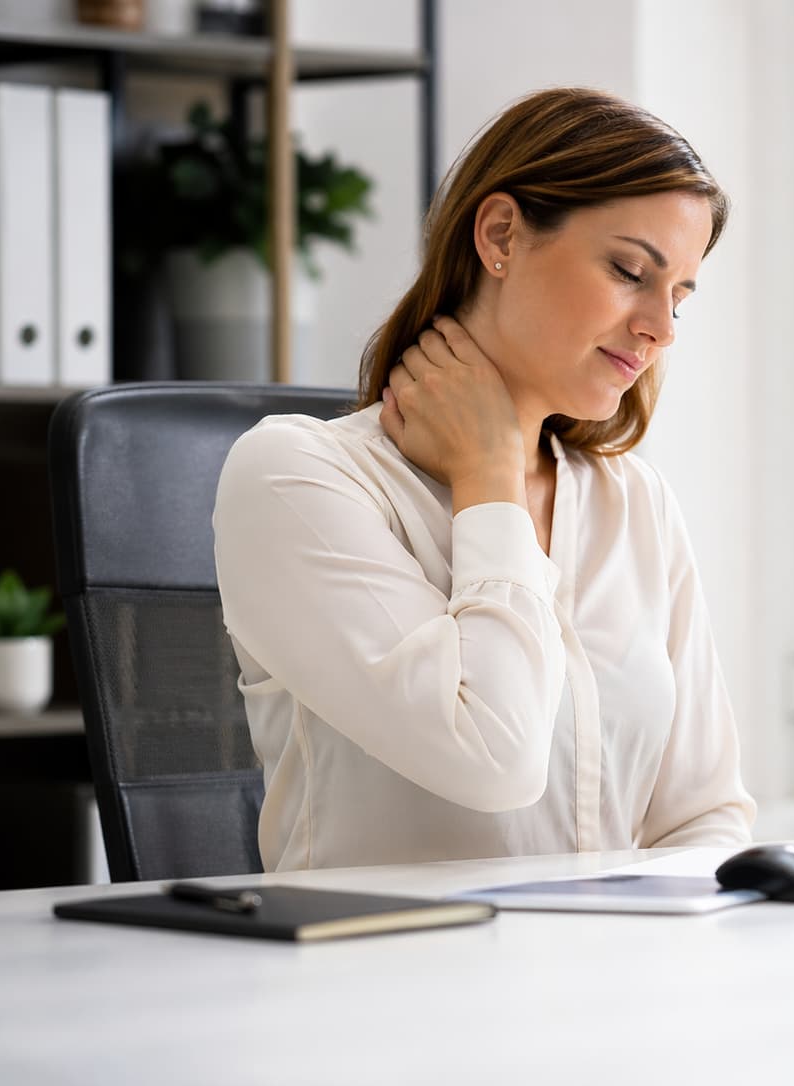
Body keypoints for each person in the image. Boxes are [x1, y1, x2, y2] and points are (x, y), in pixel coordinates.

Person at [213, 87, 757, 872]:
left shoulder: (633, 504)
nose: (661, 328)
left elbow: (704, 818)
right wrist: (490, 475)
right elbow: (492, 759)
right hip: (378, 982)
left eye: (680, 295)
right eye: (630, 271)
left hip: (611, 982)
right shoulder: (296, 477)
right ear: (501, 235)